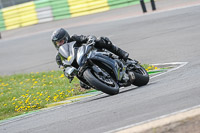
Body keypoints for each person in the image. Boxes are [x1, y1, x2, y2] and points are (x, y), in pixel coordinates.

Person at [51, 28, 129, 89]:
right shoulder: (59, 57)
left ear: (66, 37)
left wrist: (90, 39)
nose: (60, 44)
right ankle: (102, 83)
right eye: (58, 43)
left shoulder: (74, 38)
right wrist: (67, 74)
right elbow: (63, 68)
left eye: (61, 41)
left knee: (101, 40)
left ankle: (121, 53)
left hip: (88, 54)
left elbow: (86, 37)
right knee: (83, 85)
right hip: (80, 69)